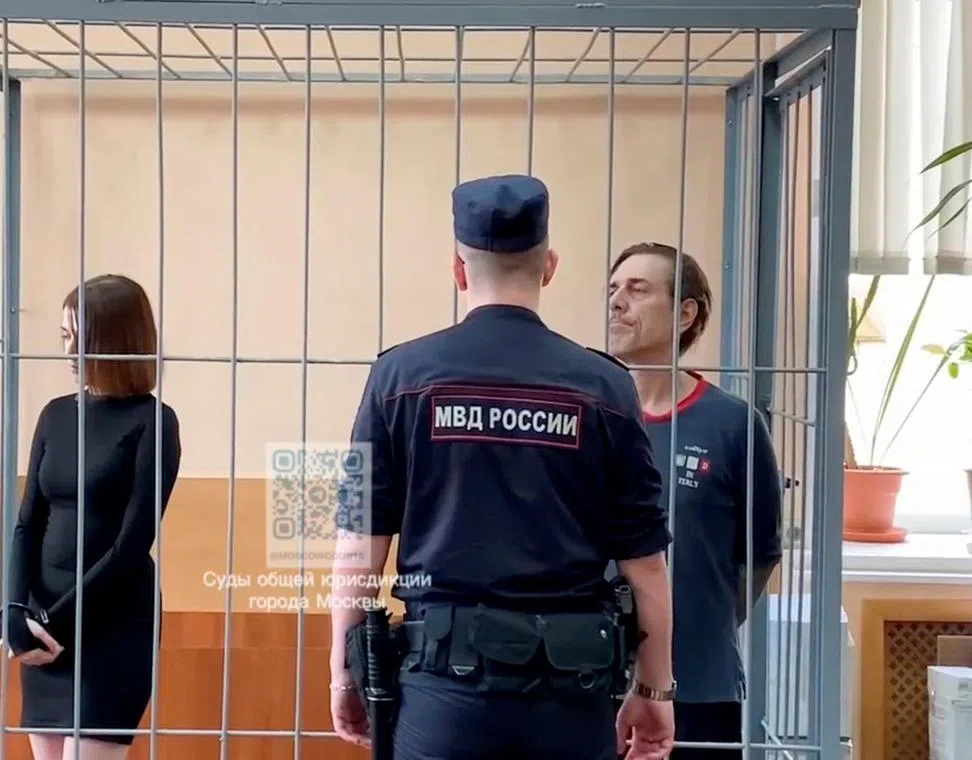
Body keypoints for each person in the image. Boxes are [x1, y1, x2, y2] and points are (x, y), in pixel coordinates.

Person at [326, 174, 677, 760]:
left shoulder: (398, 378)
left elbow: (359, 543)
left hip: (442, 695)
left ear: (459, 271)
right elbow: (644, 562)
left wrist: (344, 671)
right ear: (549, 267)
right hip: (571, 698)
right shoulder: (606, 387)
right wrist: (653, 687)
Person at [605, 242, 783, 759]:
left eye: (638, 289)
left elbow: (758, 556)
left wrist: (699, 625)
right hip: (593, 681)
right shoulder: (594, 416)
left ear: (685, 313)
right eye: (613, 289)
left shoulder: (733, 424)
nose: (617, 301)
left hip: (700, 687)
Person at [3, 274, 182, 760]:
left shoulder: (154, 421)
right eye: (65, 336)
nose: (69, 351)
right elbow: (27, 523)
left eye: (80, 338)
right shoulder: (55, 415)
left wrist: (54, 623)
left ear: (116, 342)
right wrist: (14, 611)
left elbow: (131, 545)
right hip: (42, 625)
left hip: (110, 625)